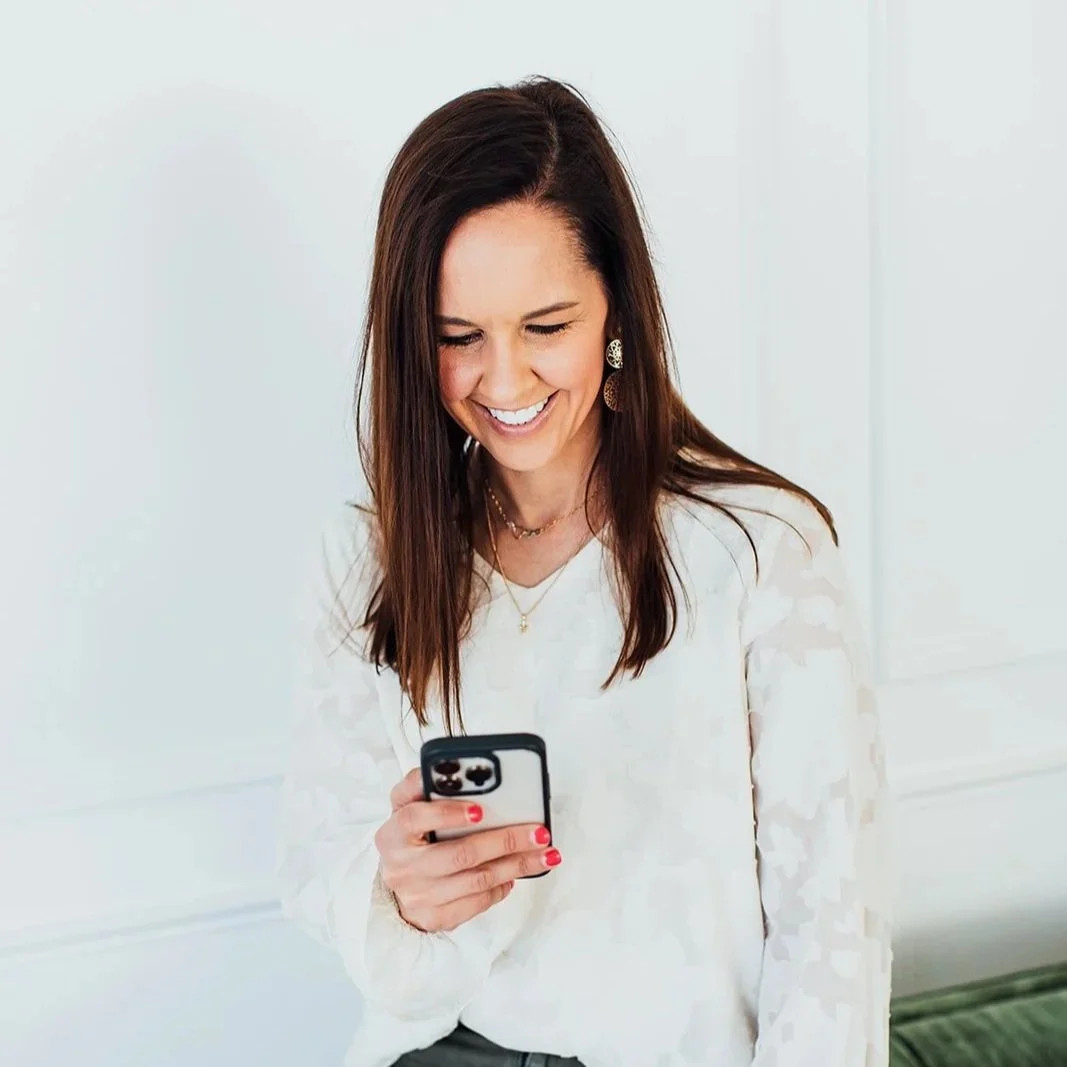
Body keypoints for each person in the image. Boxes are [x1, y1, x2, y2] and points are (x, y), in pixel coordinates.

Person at [275, 76, 893, 1067]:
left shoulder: (758, 550)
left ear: (614, 312)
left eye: (545, 326)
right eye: (458, 337)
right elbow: (325, 864)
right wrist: (398, 895)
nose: (504, 380)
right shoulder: (364, 559)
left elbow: (831, 936)